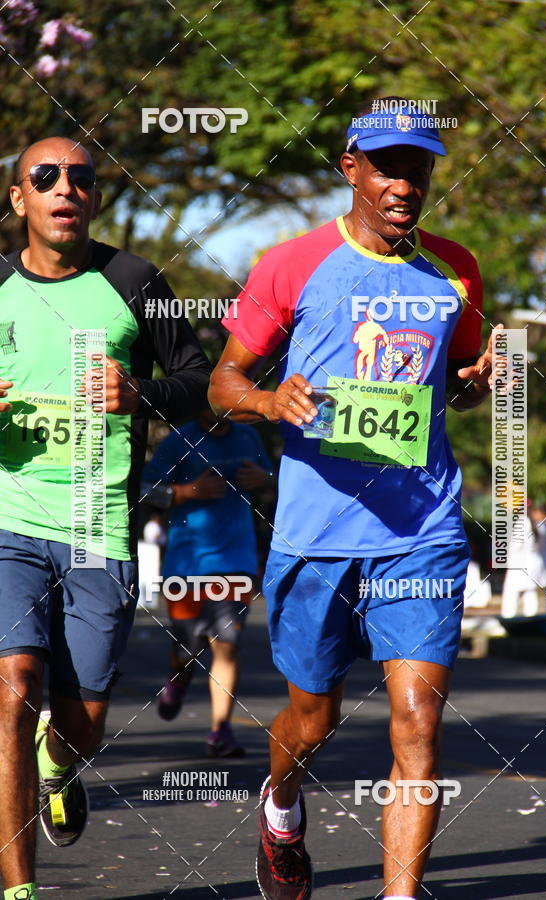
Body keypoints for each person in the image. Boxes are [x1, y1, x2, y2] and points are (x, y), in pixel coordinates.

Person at [209, 98, 501, 900]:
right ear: (351, 168)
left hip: (422, 529)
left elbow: (454, 384)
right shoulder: (291, 263)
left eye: (418, 166)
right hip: (317, 532)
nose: (404, 182)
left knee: (418, 722)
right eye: (387, 166)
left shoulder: (456, 271)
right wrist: (269, 402)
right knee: (313, 720)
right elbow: (223, 382)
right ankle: (281, 802)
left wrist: (473, 386)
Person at [0, 137, 211, 900]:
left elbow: (203, 384)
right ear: (20, 198)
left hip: (96, 524)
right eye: (45, 177)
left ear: (95, 198)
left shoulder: (134, 281)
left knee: (80, 720)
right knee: (14, 688)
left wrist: (140, 392)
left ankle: (62, 765)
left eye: (81, 178)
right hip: (8, 522)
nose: (65, 189)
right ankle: (19, 890)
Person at [144, 403, 272, 756]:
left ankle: (220, 731)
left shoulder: (248, 436)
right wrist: (187, 492)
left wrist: (264, 480)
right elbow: (145, 489)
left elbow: (272, 475)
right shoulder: (178, 441)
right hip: (186, 562)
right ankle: (179, 678)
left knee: (226, 644)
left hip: (236, 560)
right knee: (188, 646)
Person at [501, 501, 546, 617]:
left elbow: (515, 546)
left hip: (521, 562)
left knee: (511, 591)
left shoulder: (523, 523)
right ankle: (531, 615)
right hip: (535, 562)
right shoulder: (540, 524)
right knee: (530, 590)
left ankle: (508, 616)